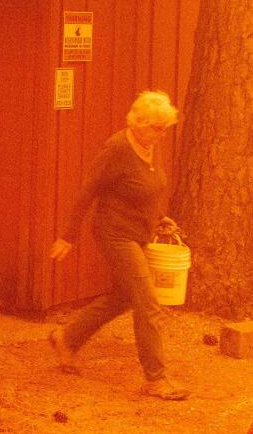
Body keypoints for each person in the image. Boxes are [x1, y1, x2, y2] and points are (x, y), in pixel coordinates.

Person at [47, 89, 187, 399]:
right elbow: (87, 191)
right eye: (156, 127)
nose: (161, 134)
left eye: (164, 128)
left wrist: (160, 217)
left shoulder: (150, 146)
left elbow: (146, 188)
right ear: (137, 122)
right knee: (148, 302)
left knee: (125, 297)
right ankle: (156, 379)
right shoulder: (117, 148)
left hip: (139, 233)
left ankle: (67, 337)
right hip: (115, 233)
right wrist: (68, 235)